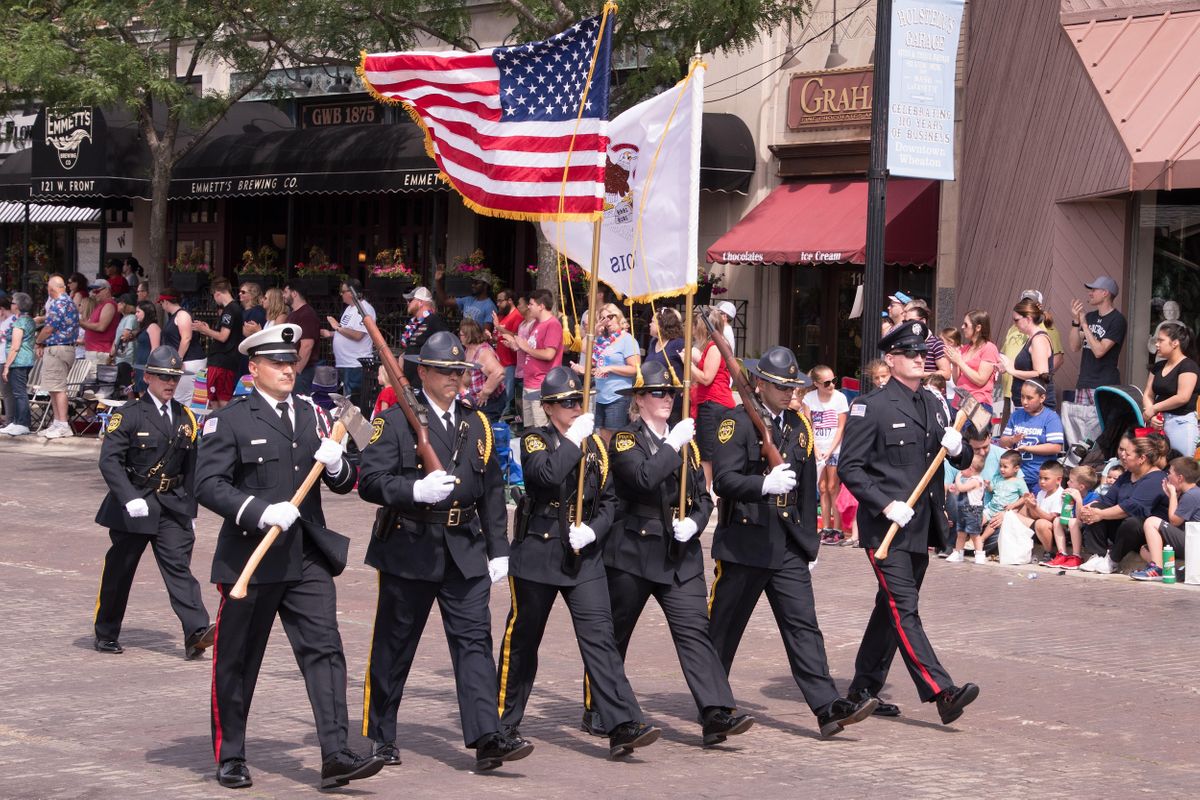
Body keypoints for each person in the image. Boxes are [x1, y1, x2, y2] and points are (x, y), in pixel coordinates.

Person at [195, 324, 382, 790]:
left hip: (305, 557)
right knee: (238, 659)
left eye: (291, 362)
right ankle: (232, 755)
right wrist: (257, 511)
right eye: (277, 363)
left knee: (326, 651)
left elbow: (342, 482)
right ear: (253, 368)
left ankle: (335, 753)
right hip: (251, 558)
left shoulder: (313, 415)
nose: (287, 370)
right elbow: (207, 484)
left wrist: (339, 464)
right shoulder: (231, 419)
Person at [357, 331, 531, 771]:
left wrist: (499, 549)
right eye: (448, 371)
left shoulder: (477, 423)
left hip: (465, 548)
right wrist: (414, 489)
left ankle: (487, 736)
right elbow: (371, 481)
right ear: (422, 373)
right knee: (395, 645)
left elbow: (492, 490)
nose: (458, 378)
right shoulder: (396, 421)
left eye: (462, 371)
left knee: (475, 642)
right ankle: (379, 734)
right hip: (410, 544)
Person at [578, 361, 753, 745]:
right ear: (638, 399)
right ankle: (597, 708)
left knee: (695, 632)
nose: (667, 398)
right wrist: (672, 445)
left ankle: (715, 712)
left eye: (671, 392)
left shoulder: (684, 442)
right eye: (658, 392)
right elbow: (642, 478)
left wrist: (696, 522)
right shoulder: (626, 439)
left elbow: (703, 498)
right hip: (634, 552)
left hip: (679, 555)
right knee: (615, 634)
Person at [707, 346, 878, 736]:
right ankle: (713, 709)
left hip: (786, 544)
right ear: (761, 384)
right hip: (745, 543)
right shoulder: (736, 422)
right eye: (781, 386)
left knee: (804, 627)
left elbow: (806, 493)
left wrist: (809, 542)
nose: (789, 393)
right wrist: (762, 484)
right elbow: (724, 481)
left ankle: (826, 706)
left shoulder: (797, 426)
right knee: (723, 631)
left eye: (793, 387)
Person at [499, 366, 661, 758]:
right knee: (523, 642)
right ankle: (500, 725)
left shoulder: (596, 446)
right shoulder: (536, 439)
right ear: (550, 408)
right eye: (568, 403)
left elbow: (609, 500)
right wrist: (573, 440)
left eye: (579, 401)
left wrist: (594, 531)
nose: (576, 408)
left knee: (601, 639)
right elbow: (545, 475)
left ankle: (620, 722)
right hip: (538, 551)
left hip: (582, 555)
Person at [838, 321, 980, 725]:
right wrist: (884, 505)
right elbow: (850, 467)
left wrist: (958, 450)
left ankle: (863, 688)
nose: (921, 359)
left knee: (890, 610)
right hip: (888, 527)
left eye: (923, 354)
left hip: (922, 525)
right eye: (912, 354)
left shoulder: (935, 404)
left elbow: (962, 457)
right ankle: (942, 691)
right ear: (891, 359)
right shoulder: (871, 406)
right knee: (904, 608)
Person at [91, 345, 215, 658]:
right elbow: (110, 461)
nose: (170, 383)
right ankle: (106, 632)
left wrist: (190, 511)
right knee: (120, 572)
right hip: (136, 503)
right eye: (162, 376)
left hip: (171, 505)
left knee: (179, 570)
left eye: (174, 377)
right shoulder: (129, 414)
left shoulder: (185, 417)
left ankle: (196, 632)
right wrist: (128, 497)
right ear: (148, 377)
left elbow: (191, 467)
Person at [1078, 434, 1169, 575]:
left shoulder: (1156, 478)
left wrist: (1100, 514)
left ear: (1142, 459)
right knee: (1096, 508)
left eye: (1128, 453)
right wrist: (1090, 509)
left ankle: (1113, 560)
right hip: (1121, 527)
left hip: (1144, 534)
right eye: (1122, 451)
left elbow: (1131, 507)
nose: (1123, 455)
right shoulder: (1126, 475)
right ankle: (1098, 554)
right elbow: (1107, 501)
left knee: (1132, 522)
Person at [1067, 276, 1126, 443]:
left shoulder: (1117, 320)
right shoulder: (1091, 317)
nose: (1090, 293)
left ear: (1105, 293)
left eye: (1094, 290)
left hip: (1104, 385)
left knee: (1099, 431)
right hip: (1084, 382)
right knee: (1080, 432)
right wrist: (1075, 322)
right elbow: (1074, 346)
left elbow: (1100, 351)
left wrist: (1085, 325)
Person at [572, 303, 640, 445]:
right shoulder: (603, 341)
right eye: (603, 318)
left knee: (615, 441)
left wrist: (610, 368)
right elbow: (583, 348)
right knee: (603, 439)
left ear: (619, 317)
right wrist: (595, 330)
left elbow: (635, 369)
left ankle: (614, 467)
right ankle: (606, 466)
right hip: (601, 396)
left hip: (618, 396)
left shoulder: (627, 339)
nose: (607, 321)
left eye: (610, 316)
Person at [500, 288, 562, 429]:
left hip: (541, 383)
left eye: (531, 304)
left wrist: (526, 348)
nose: (528, 307)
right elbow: (531, 348)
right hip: (529, 381)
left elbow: (548, 354)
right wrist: (516, 346)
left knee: (541, 428)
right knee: (529, 427)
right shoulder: (535, 324)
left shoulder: (552, 324)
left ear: (541, 306)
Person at [690, 306, 735, 490]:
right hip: (711, 403)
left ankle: (707, 494)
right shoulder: (714, 345)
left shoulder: (715, 346)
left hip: (714, 404)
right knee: (707, 453)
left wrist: (688, 363)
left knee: (707, 455)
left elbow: (707, 378)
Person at [1134, 456, 1200, 581]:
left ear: (1180, 478)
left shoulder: (1192, 495)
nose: (1167, 477)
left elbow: (1174, 521)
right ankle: (1170, 571)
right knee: (1145, 549)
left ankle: (1157, 568)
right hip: (1189, 542)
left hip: (1195, 544)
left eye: (1170, 473)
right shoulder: (1191, 493)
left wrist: (1173, 495)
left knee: (1151, 522)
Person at [804, 364, 848, 544]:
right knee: (822, 488)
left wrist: (830, 450)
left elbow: (841, 427)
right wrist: (815, 449)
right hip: (817, 447)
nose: (831, 386)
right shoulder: (809, 398)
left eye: (834, 381)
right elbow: (808, 425)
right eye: (827, 383)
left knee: (832, 487)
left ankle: (837, 528)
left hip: (834, 447)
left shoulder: (840, 398)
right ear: (816, 384)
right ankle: (826, 527)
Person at [1142, 321, 1198, 458]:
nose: (1156, 344)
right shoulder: (1158, 366)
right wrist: (1152, 415)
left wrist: (1154, 409)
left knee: (1180, 468)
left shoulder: (1189, 366)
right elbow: (1148, 393)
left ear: (1175, 343)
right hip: (1158, 423)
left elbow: (1183, 397)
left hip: (1181, 422)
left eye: (1161, 341)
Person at [35, 275, 80, 438]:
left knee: (58, 387)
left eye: (48, 287)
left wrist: (38, 342)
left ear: (51, 289)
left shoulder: (59, 303)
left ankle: (62, 424)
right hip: (64, 348)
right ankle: (57, 422)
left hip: (58, 349)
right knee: (54, 387)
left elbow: (48, 329)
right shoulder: (68, 302)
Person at [999, 380, 1064, 491]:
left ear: (1042, 398)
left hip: (1039, 479)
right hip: (1015, 477)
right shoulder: (1016, 415)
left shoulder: (1051, 417)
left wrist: (1028, 448)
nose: (1024, 402)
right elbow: (1002, 441)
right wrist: (1012, 440)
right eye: (1022, 397)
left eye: (1029, 398)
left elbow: (1056, 447)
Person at [322, 279, 376, 414]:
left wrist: (337, 327)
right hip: (345, 363)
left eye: (343, 291)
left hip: (355, 364)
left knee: (354, 403)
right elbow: (346, 331)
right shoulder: (349, 309)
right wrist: (331, 333)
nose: (341, 294)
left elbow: (358, 335)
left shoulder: (365, 308)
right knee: (346, 401)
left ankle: (355, 434)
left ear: (352, 292)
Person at [192, 279, 243, 411]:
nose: (215, 300)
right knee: (214, 399)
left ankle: (223, 428)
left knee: (222, 399)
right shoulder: (232, 309)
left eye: (214, 296)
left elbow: (223, 336)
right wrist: (208, 329)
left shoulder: (230, 310)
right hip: (221, 361)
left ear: (217, 293)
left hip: (224, 361)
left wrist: (205, 330)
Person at [999, 298, 1056, 410]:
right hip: (1028, 406)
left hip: (1037, 408)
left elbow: (1041, 373)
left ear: (1028, 319)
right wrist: (1007, 365)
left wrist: (1012, 371)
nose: (1014, 324)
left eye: (1016, 320)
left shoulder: (1038, 340)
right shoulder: (1032, 339)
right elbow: (1028, 367)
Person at [157, 289, 206, 407]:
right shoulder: (174, 316)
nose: (162, 306)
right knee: (179, 395)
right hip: (183, 360)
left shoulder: (182, 314)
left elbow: (186, 338)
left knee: (184, 396)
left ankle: (186, 422)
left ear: (166, 302)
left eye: (161, 303)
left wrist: (178, 359)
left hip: (189, 360)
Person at [977, 450, 1030, 555]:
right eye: (1000, 466)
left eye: (1005, 467)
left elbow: (1025, 497)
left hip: (1001, 511)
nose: (1001, 469)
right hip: (991, 508)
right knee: (978, 521)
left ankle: (981, 540)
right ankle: (972, 538)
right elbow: (992, 490)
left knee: (993, 524)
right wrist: (988, 486)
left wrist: (1013, 505)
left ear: (1016, 468)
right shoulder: (998, 478)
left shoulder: (1019, 482)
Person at [1047, 465, 1101, 569]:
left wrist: (1079, 500)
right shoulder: (1071, 495)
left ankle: (1076, 556)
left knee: (1073, 522)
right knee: (1057, 520)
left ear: (1081, 487)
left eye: (1071, 481)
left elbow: (1081, 518)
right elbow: (1067, 515)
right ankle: (1062, 554)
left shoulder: (1094, 497)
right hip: (1072, 525)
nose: (1067, 483)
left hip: (1087, 527)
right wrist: (1065, 502)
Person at [397, 286, 449, 390]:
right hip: (409, 380)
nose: (407, 303)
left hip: (422, 382)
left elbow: (446, 345)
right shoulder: (414, 322)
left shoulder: (434, 320)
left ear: (420, 302)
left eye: (410, 300)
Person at [947, 310, 999, 412]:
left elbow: (980, 380)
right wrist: (954, 362)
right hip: (959, 402)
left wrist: (960, 362)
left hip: (977, 404)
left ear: (978, 327)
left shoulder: (989, 348)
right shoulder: (965, 348)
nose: (962, 327)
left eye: (966, 325)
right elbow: (958, 381)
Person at [0, 292, 36, 436]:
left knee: (19, 393)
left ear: (18, 306)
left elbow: (15, 346)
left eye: (13, 303)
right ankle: (16, 422)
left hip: (19, 361)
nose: (12, 305)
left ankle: (23, 423)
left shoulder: (21, 322)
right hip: (22, 360)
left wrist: (7, 366)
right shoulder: (25, 320)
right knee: (16, 392)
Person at [643, 307, 686, 424]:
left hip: (673, 400)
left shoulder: (678, 343)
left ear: (662, 325)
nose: (649, 324)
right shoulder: (653, 343)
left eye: (652, 322)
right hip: (654, 399)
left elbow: (691, 366)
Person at [458, 317, 505, 420]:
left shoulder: (483, 352)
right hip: (476, 402)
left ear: (468, 335)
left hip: (489, 402)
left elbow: (499, 372)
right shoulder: (469, 350)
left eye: (460, 335)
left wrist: (485, 392)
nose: (459, 337)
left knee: (486, 431)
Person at [945, 450, 987, 563]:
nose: (961, 470)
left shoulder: (976, 480)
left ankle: (979, 554)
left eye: (963, 467)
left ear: (971, 469)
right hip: (963, 510)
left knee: (974, 534)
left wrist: (957, 479)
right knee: (961, 533)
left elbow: (963, 488)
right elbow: (962, 492)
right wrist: (955, 489)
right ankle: (958, 553)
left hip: (973, 511)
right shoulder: (969, 480)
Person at [491, 289, 525, 415]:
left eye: (500, 301)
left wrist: (499, 327)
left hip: (511, 362)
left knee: (507, 395)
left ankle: (503, 421)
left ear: (510, 301)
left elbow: (517, 336)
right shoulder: (503, 316)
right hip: (501, 361)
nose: (498, 304)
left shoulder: (517, 316)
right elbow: (500, 336)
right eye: (497, 301)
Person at [283, 282, 320, 394]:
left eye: (285, 292)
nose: (283, 295)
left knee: (299, 406)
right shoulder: (293, 314)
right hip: (292, 369)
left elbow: (307, 346)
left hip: (302, 371)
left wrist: (296, 371)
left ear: (294, 293)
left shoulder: (306, 314)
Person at [902, 300, 952, 381]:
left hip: (930, 391)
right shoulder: (905, 343)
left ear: (922, 321)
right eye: (905, 322)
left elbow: (946, 373)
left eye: (911, 321)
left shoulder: (936, 343)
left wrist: (920, 374)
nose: (907, 325)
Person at [80, 278, 119, 377]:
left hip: (100, 351)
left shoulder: (109, 304)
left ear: (107, 290)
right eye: (93, 291)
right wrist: (79, 323)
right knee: (91, 385)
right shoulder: (100, 305)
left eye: (97, 291)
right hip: (94, 351)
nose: (94, 293)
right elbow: (91, 328)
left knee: (95, 386)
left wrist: (80, 322)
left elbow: (101, 327)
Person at [131, 301, 162, 395]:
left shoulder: (153, 327)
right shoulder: (145, 328)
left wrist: (148, 368)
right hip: (140, 364)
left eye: (138, 312)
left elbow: (155, 349)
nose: (136, 315)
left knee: (147, 393)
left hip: (147, 365)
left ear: (146, 312)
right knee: (141, 393)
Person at [110, 293, 139, 392]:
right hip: (121, 357)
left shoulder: (130, 318)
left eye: (119, 303)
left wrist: (112, 353)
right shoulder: (124, 318)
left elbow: (125, 336)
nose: (117, 305)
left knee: (126, 385)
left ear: (124, 304)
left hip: (126, 357)